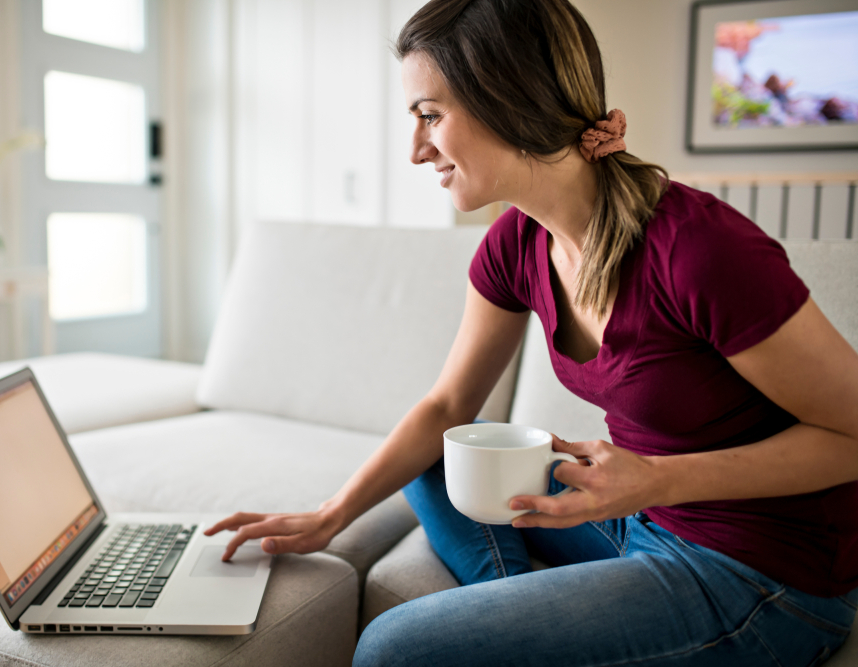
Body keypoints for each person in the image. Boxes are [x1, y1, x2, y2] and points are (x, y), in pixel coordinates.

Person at [204, 0, 858, 664]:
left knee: (393, 648)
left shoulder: (701, 249)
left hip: (765, 570)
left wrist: (656, 478)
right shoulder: (514, 243)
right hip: (640, 519)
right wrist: (330, 513)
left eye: (430, 115)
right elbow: (447, 406)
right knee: (439, 451)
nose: (416, 149)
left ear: (508, 101)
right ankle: (516, 608)